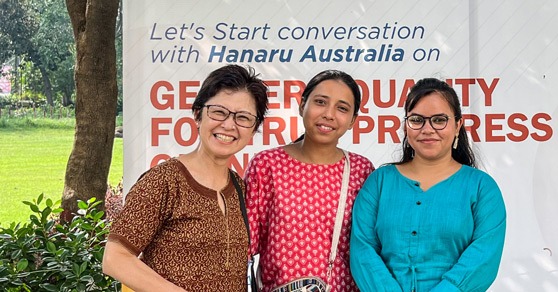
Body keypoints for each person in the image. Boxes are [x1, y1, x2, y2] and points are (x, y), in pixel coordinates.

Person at [102, 64, 269, 292]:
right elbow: (115, 258)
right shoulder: (164, 181)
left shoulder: (238, 188)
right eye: (219, 112)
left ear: (254, 128)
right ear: (198, 114)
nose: (229, 125)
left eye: (243, 117)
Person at [350, 78, 507, 291]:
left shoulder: (481, 188)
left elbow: (483, 258)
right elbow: (363, 250)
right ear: (406, 126)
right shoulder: (379, 182)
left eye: (439, 120)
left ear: (457, 125)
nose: (428, 129)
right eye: (417, 120)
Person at [245, 70, 374, 292]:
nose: (329, 114)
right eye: (320, 102)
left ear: (353, 120)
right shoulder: (267, 165)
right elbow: (243, 246)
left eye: (342, 108)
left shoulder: (361, 171)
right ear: (302, 104)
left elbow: (372, 249)